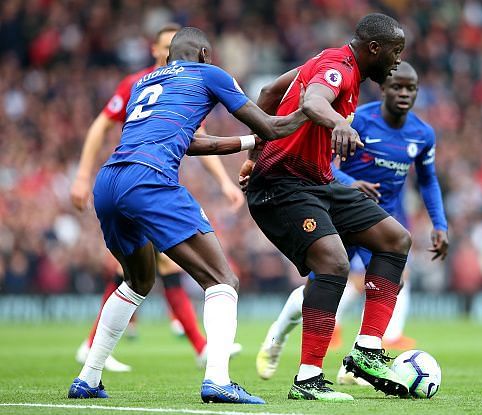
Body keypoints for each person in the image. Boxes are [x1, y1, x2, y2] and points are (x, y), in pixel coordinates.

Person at [67, 26, 307, 404]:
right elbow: (270, 124)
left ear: (168, 57)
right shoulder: (210, 74)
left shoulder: (143, 83)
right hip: (150, 180)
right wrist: (309, 114)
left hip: (110, 181)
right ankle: (218, 379)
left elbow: (191, 141)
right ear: (206, 54)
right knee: (222, 280)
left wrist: (247, 143)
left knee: (136, 282)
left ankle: (88, 378)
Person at [241, 13, 410, 401]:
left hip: (317, 183)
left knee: (394, 239)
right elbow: (313, 99)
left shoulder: (325, 61)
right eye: (395, 52)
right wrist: (339, 123)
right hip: (282, 186)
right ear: (374, 49)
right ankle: (308, 379)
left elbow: (269, 92)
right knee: (333, 263)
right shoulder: (338, 69)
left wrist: (254, 156)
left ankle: (367, 351)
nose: (398, 61)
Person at [254, 62, 449, 386]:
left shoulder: (422, 134)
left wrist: (439, 223)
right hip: (337, 211)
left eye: (410, 88)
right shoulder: (357, 120)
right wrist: (350, 182)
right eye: (397, 86)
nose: (403, 93)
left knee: (390, 283)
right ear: (383, 88)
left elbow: (428, 181)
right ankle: (276, 337)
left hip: (378, 221)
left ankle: (357, 361)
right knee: (320, 287)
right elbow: (323, 163)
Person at [70, 23, 244, 372]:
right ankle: (203, 354)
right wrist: (80, 175)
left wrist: (224, 181)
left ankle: (92, 366)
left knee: (145, 274)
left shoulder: (178, 83)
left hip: (123, 182)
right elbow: (101, 125)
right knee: (192, 272)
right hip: (144, 182)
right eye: (169, 48)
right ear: (158, 51)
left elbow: (197, 138)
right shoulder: (148, 82)